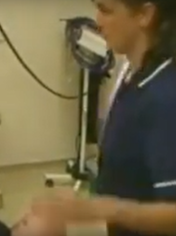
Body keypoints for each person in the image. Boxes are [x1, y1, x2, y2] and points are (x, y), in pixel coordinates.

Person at [29, 0, 176, 236]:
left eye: (106, 10)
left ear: (145, 15)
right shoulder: (132, 74)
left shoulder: (164, 98)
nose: (97, 21)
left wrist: (105, 209)